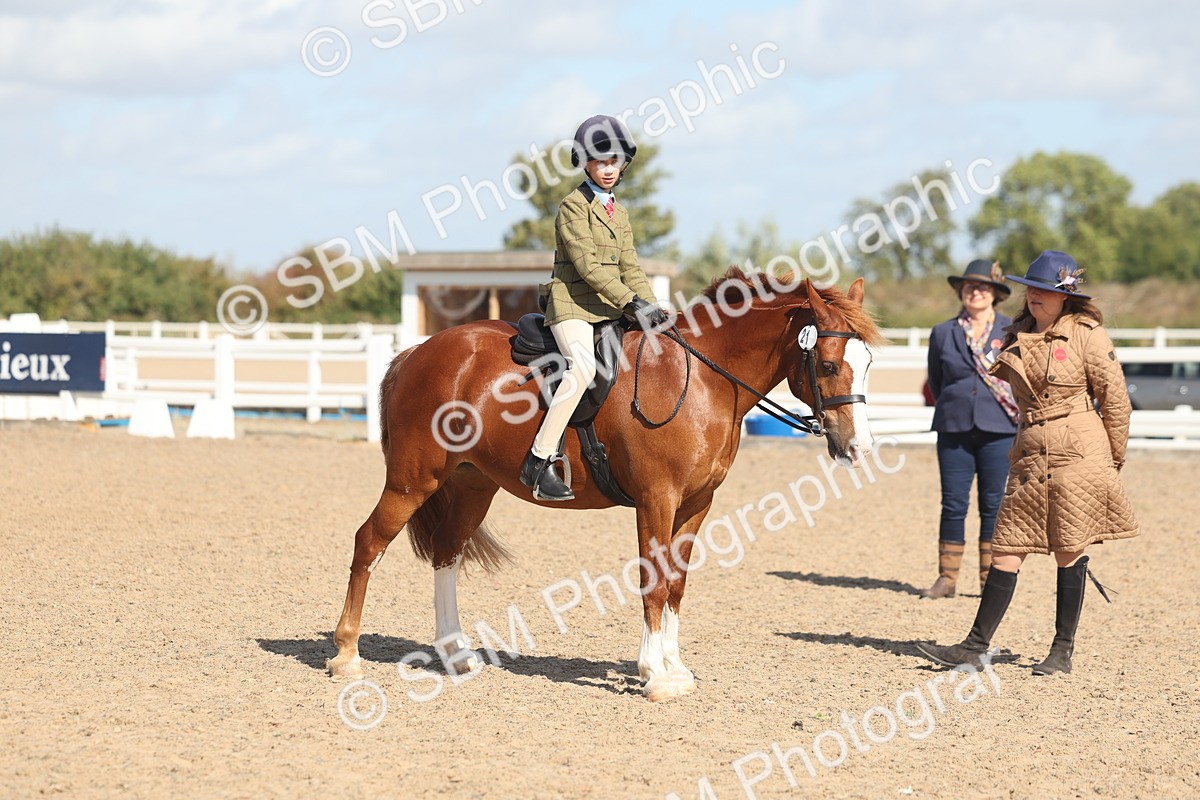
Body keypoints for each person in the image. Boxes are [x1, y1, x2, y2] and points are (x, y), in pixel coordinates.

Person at [916, 250, 1139, 675]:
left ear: (1065, 297)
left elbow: (1116, 403)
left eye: (1045, 291)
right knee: (1007, 547)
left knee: (1068, 549)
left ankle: (1061, 650)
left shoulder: (1089, 335)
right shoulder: (1015, 333)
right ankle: (974, 646)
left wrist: (1113, 459)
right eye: (1031, 288)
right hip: (1029, 450)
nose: (1035, 296)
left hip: (1079, 451)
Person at [519, 115, 668, 502]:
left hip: (609, 307)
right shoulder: (572, 206)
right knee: (583, 368)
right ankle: (539, 460)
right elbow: (587, 267)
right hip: (571, 305)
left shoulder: (619, 213)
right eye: (600, 162)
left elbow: (630, 266)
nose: (608, 169)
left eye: (614, 162)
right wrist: (630, 302)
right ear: (585, 163)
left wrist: (651, 306)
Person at [922, 260, 1019, 599]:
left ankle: (988, 579)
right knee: (952, 503)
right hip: (954, 426)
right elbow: (935, 381)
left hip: (999, 427)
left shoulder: (1011, 331)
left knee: (993, 504)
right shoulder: (943, 332)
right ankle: (947, 579)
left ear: (994, 294)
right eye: (969, 286)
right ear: (960, 291)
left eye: (982, 287)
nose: (975, 291)